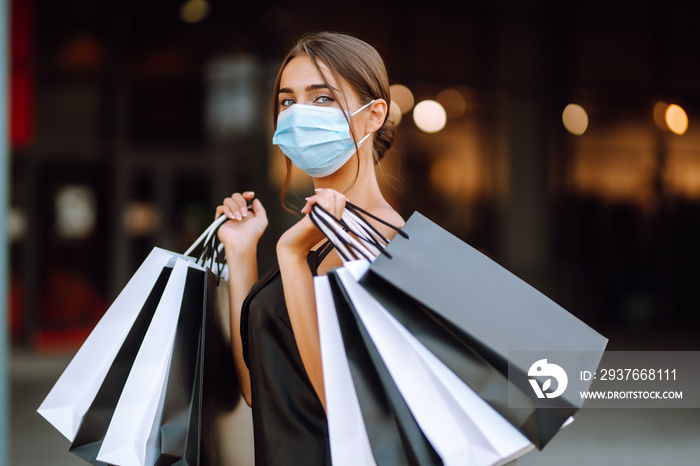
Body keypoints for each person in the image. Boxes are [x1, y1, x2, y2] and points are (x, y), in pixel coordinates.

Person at [214, 31, 404, 465]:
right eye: (287, 101)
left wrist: (292, 257)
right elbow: (257, 388)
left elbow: (345, 408)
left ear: (374, 115)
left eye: (321, 99)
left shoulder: (382, 240)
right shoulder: (314, 235)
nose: (299, 114)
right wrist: (242, 253)